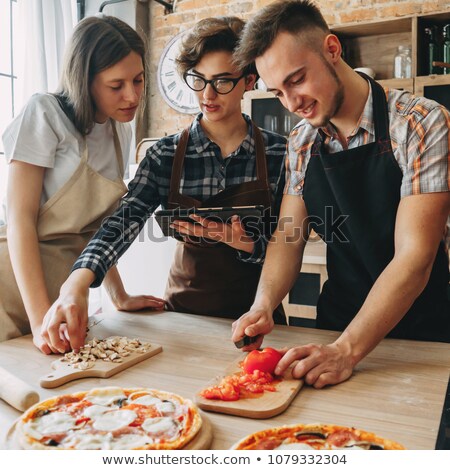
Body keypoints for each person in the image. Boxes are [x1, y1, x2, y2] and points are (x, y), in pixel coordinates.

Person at [231, 0, 450, 388]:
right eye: (278, 92)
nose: (292, 103)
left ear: (332, 50)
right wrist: (262, 304)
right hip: (336, 329)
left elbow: (416, 257)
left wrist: (348, 350)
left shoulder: (422, 123)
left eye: (297, 79)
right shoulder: (301, 140)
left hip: (419, 338)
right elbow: (288, 235)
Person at [40, 16, 287, 353]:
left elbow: (289, 242)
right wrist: (77, 283)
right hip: (184, 321)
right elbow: (123, 222)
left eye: (222, 82)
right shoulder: (166, 154)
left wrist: (245, 243)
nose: (208, 94)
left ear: (249, 81)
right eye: (198, 80)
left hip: (261, 320)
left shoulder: (279, 153)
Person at [0, 15, 165, 354]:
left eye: (138, 80)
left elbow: (98, 226)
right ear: (85, 80)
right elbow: (20, 222)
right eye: (116, 85)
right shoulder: (44, 114)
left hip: (64, 294)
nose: (132, 96)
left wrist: (119, 296)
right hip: (14, 292)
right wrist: (38, 320)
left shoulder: (119, 130)